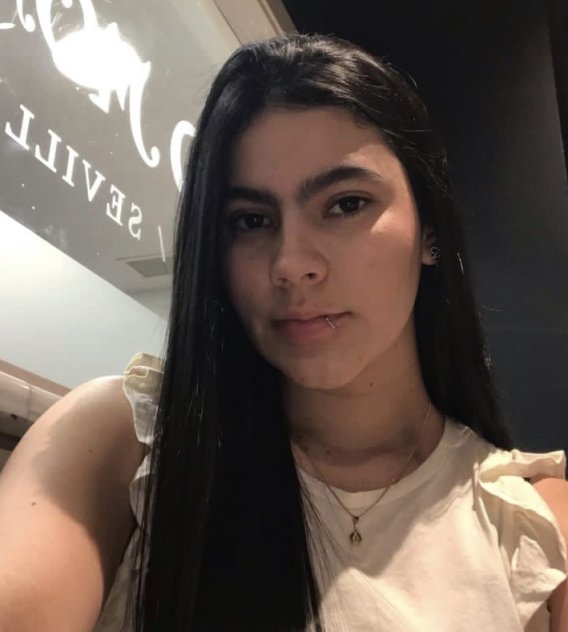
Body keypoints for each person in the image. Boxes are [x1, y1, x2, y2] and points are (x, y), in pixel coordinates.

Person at [0, 33, 566, 632]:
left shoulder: (534, 524)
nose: (291, 264)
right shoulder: (127, 445)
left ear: (430, 230)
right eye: (251, 220)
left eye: (345, 204)